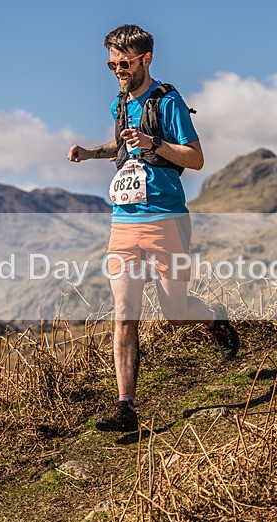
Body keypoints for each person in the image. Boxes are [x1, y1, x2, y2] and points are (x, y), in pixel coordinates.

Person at [67, 24, 239, 432]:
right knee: (124, 314)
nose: (116, 69)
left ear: (145, 59)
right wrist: (90, 153)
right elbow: (123, 146)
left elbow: (195, 158)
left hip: (167, 219)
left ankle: (214, 317)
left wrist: (154, 145)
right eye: (110, 63)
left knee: (175, 315)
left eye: (123, 62)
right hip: (124, 220)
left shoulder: (169, 101)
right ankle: (125, 406)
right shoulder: (119, 104)